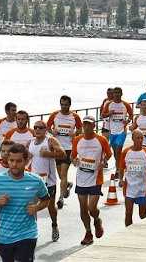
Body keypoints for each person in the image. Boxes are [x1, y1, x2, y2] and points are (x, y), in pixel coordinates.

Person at [0, 143, 50, 262]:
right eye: (11, 160)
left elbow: (46, 200)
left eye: (19, 161)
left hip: (28, 234)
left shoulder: (35, 180)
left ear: (26, 161)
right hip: (5, 235)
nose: (14, 164)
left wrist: (36, 207)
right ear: (7, 160)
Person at [72, 116, 112, 245]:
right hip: (81, 178)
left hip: (96, 179)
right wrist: (75, 161)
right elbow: (73, 156)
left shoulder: (101, 140)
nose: (87, 126)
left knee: (91, 208)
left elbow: (109, 154)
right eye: (85, 124)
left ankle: (97, 220)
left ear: (94, 126)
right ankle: (88, 232)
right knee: (83, 209)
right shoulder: (77, 140)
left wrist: (103, 163)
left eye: (89, 124)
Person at [28, 120, 66, 242]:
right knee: (32, 205)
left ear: (45, 129)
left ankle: (54, 224)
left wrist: (48, 153)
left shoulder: (50, 140)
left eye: (40, 127)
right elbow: (25, 158)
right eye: (35, 127)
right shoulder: (30, 142)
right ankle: (32, 231)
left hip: (48, 182)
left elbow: (63, 154)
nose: (37, 129)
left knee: (50, 207)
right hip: (34, 181)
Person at [116, 130, 146, 227]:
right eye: (137, 138)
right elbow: (121, 168)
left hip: (143, 189)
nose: (140, 140)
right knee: (128, 213)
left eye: (141, 138)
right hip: (129, 188)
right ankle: (128, 234)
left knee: (142, 215)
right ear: (132, 139)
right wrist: (120, 180)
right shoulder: (126, 152)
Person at [46, 95, 82, 209]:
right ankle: (67, 185)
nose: (63, 106)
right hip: (57, 147)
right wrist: (53, 131)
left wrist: (75, 134)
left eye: (66, 104)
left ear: (69, 105)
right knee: (60, 174)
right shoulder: (55, 115)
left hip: (68, 148)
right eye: (62, 104)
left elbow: (80, 129)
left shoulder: (74, 116)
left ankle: (60, 198)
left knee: (64, 173)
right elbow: (47, 127)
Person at [101, 87, 132, 168]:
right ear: (113, 94)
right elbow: (102, 115)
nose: (117, 94)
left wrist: (128, 121)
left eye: (118, 93)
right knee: (115, 152)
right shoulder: (109, 104)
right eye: (115, 93)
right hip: (112, 132)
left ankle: (118, 170)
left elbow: (131, 115)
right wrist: (109, 113)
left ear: (121, 94)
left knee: (118, 150)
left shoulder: (126, 104)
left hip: (122, 131)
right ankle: (120, 166)